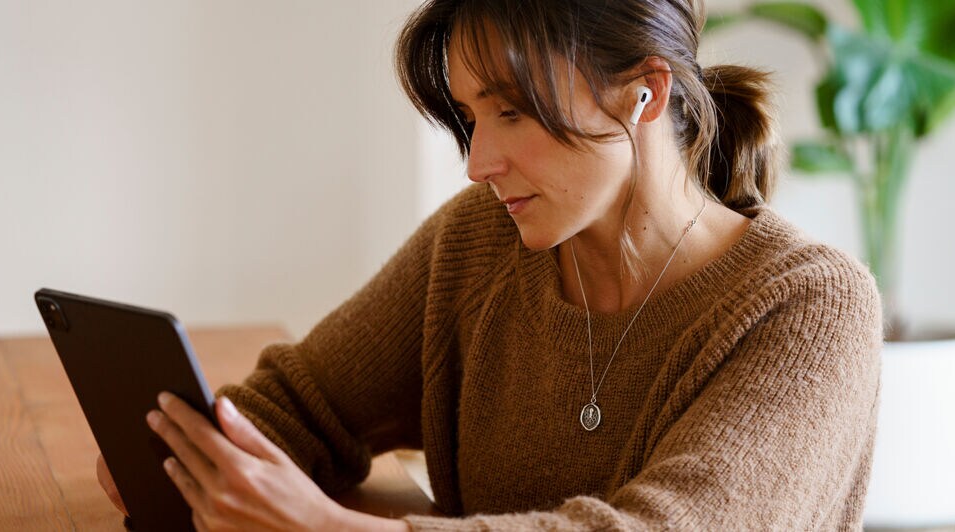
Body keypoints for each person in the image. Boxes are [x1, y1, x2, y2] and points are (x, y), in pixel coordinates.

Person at [98, 0, 884, 529]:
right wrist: (187, 454)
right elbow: (308, 399)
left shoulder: (811, 308)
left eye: (511, 112)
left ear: (644, 92)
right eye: (471, 118)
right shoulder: (480, 244)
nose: (478, 163)